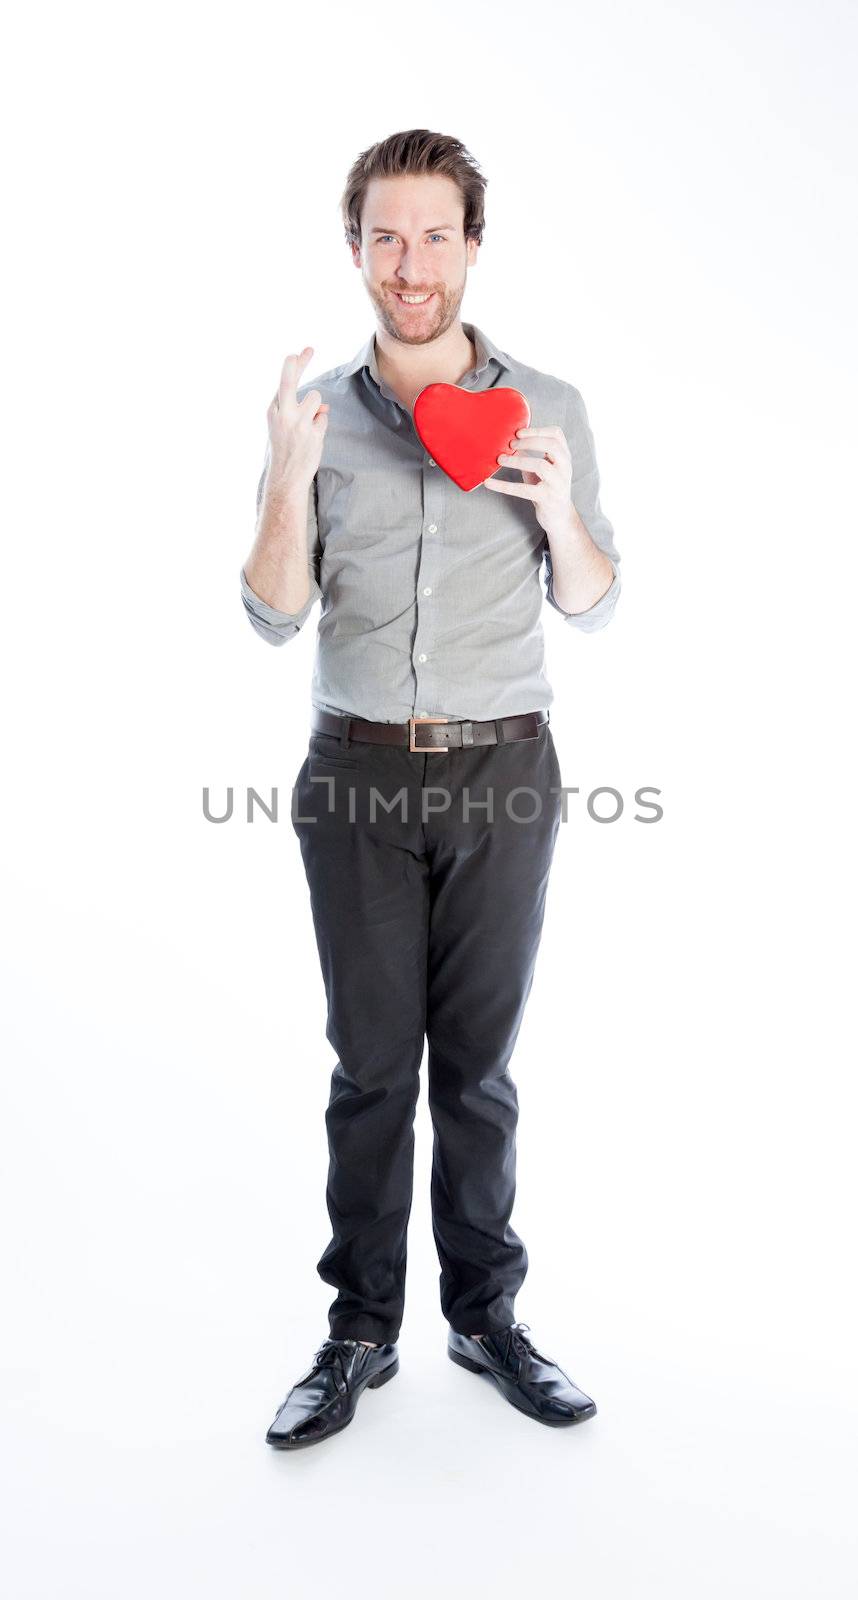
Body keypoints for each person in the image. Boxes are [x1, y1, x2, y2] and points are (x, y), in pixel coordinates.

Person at [240, 129, 621, 1450]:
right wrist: (286, 482)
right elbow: (272, 616)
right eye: (385, 237)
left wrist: (563, 511)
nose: (411, 264)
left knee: (476, 1071)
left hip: (506, 769)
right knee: (368, 1069)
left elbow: (591, 601)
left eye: (434, 235)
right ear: (356, 249)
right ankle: (357, 1334)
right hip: (351, 772)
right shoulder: (314, 414)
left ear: (472, 244)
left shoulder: (549, 406)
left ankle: (484, 1315)